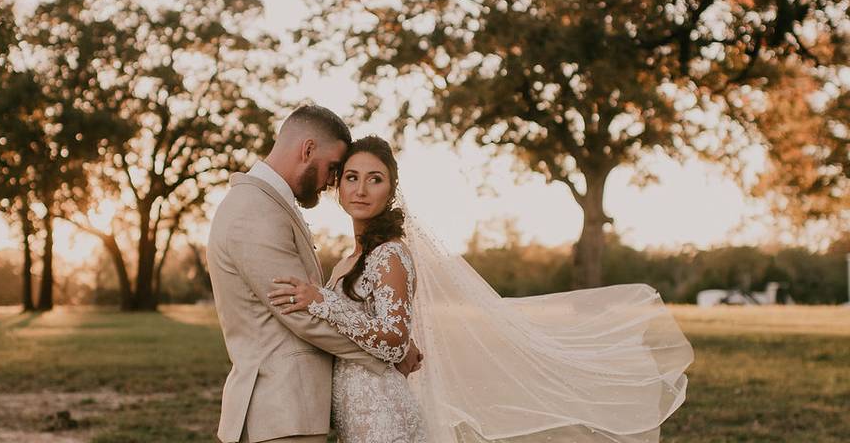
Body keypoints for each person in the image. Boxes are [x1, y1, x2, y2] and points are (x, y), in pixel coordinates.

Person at [270, 136, 693, 443]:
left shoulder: (390, 256)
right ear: (338, 186)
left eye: (374, 179)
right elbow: (388, 336)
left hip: (382, 416)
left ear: (390, 190)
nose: (361, 189)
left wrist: (324, 301)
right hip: (352, 409)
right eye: (352, 178)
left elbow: (394, 342)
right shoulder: (348, 259)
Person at [206, 106, 421, 443]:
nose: (333, 182)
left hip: (305, 411)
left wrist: (390, 341)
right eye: (337, 170)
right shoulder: (254, 211)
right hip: (281, 408)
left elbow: (322, 306)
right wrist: (387, 351)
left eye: (373, 179)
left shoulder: (267, 204)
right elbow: (301, 314)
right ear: (307, 150)